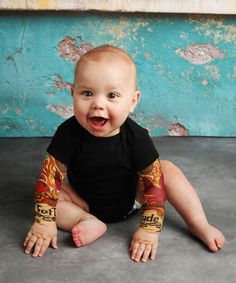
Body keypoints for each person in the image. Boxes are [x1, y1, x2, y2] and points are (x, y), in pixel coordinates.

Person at [24, 45, 225, 262]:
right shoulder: (67, 133)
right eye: (87, 93)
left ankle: (199, 223)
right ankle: (85, 220)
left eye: (112, 95)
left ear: (132, 101)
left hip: (131, 200)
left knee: (165, 170)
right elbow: (51, 176)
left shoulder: (136, 137)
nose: (98, 104)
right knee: (50, 188)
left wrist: (149, 229)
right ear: (73, 94)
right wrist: (44, 221)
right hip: (82, 201)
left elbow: (154, 185)